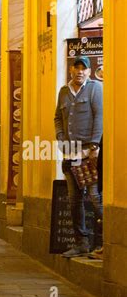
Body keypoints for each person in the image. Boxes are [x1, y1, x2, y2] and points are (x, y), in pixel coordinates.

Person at [54, 56, 103, 258]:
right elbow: (58, 117)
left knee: (94, 197)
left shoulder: (95, 89)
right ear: (71, 71)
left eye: (84, 69)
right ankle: (81, 242)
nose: (80, 72)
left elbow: (100, 116)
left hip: (88, 153)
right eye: (77, 68)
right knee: (74, 199)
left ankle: (107, 242)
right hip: (70, 152)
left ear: (89, 72)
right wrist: (60, 137)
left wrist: (94, 145)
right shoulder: (64, 92)